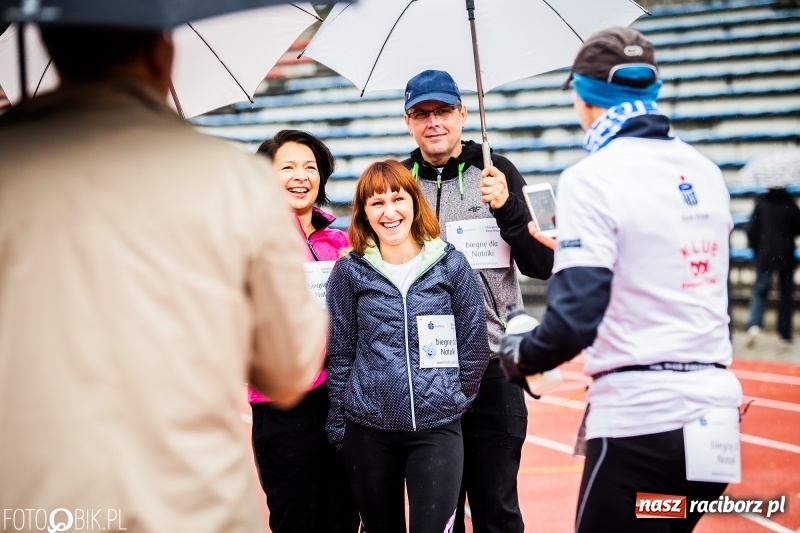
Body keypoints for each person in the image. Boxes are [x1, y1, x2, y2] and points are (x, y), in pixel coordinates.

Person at [0, 26, 325, 532]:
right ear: (164, 51)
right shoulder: (230, 181)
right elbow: (287, 367)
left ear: (51, 49)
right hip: (189, 500)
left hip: (36, 500)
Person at [497, 28, 743, 533]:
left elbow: (574, 322)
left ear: (583, 97)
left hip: (642, 416)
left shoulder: (593, 176)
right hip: (715, 411)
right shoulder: (704, 169)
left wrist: (520, 357)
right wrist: (574, 248)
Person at [401, 69, 554, 533]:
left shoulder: (498, 170)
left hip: (493, 365)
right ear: (408, 122)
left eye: (443, 111)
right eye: (421, 114)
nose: (434, 122)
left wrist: (507, 206)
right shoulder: (398, 182)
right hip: (426, 369)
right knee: (439, 516)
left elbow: (541, 264)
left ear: (463, 114)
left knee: (497, 510)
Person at [325, 160, 491, 533]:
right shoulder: (350, 272)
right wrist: (341, 427)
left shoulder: (450, 264)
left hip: (436, 428)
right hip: (368, 430)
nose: (389, 212)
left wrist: (452, 397)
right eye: (376, 203)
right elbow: (340, 355)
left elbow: (474, 346)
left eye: (397, 199)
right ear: (364, 214)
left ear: (415, 203)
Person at [250, 130, 359, 533]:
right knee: (297, 518)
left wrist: (359, 271)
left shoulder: (343, 242)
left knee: (345, 517)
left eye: (310, 167)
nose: (301, 176)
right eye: (288, 167)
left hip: (345, 401)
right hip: (284, 404)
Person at [744, 185, 800, 349]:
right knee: (785, 295)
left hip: (765, 253)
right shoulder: (789, 202)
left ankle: (754, 324)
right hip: (786, 254)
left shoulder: (761, 202)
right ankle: (784, 335)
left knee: (760, 291)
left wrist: (755, 248)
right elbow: (798, 227)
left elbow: (751, 230)